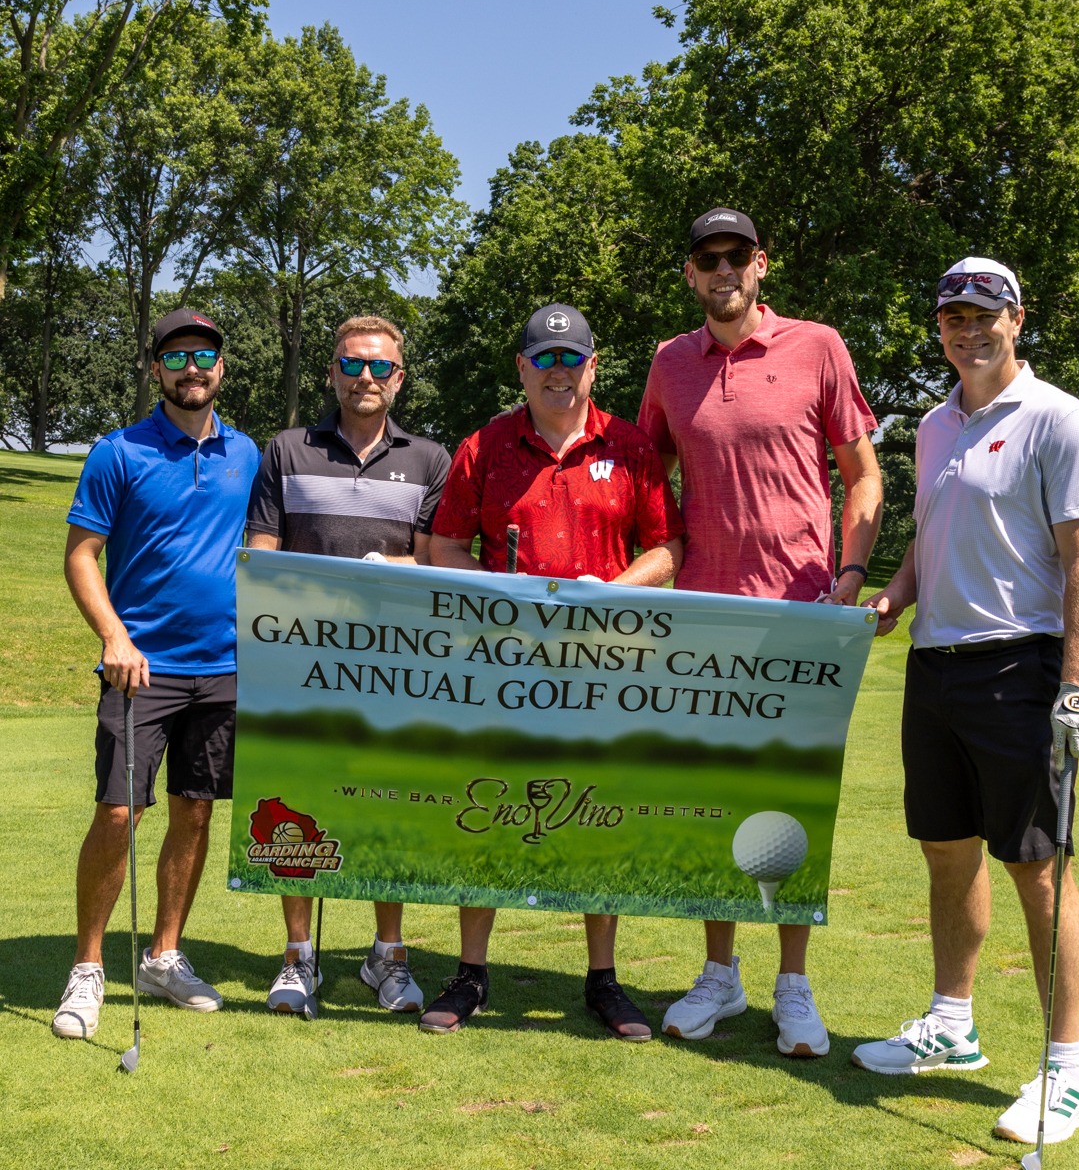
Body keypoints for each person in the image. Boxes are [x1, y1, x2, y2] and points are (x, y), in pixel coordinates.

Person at [851, 258, 1079, 1149]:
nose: (967, 328)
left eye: (983, 313)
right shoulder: (932, 426)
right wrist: (895, 594)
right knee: (946, 855)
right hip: (936, 668)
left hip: (1022, 671)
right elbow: (932, 533)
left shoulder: (1060, 421)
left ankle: (1066, 1072)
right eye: (952, 315)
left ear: (1016, 319)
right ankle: (951, 1024)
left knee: (1038, 868)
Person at [637, 207, 882, 1057]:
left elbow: (862, 480)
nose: (723, 270)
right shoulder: (671, 364)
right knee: (715, 806)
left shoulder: (819, 346)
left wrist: (848, 578)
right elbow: (647, 481)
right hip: (704, 622)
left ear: (761, 264)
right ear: (690, 273)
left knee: (791, 807)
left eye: (736, 256)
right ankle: (721, 975)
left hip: (800, 622)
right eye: (707, 258)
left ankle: (794, 986)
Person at [426, 302, 685, 1040]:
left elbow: (665, 551)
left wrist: (614, 592)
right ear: (522, 368)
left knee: (596, 815)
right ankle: (470, 973)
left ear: (594, 366)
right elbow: (445, 547)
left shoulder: (632, 448)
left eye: (572, 361)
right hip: (502, 665)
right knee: (487, 809)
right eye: (544, 361)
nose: (559, 374)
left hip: (604, 666)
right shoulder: (484, 447)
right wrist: (500, 593)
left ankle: (602, 980)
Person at [53, 307, 260, 1040]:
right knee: (118, 812)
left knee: (195, 810)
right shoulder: (118, 452)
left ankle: (164, 957)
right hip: (139, 670)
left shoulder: (246, 454)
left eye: (203, 355)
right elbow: (81, 554)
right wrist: (113, 635)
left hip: (223, 667)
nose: (192, 368)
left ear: (221, 368)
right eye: (176, 358)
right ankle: (88, 967)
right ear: (156, 370)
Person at [245, 315, 450, 1019]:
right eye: (351, 365)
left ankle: (386, 954)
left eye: (380, 368)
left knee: (387, 805)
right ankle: (299, 955)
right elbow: (264, 551)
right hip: (300, 661)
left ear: (400, 378)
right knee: (298, 803)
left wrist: (375, 568)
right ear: (332, 372)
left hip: (394, 668)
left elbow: (434, 561)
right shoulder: (287, 449)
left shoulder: (428, 459)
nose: (366, 378)